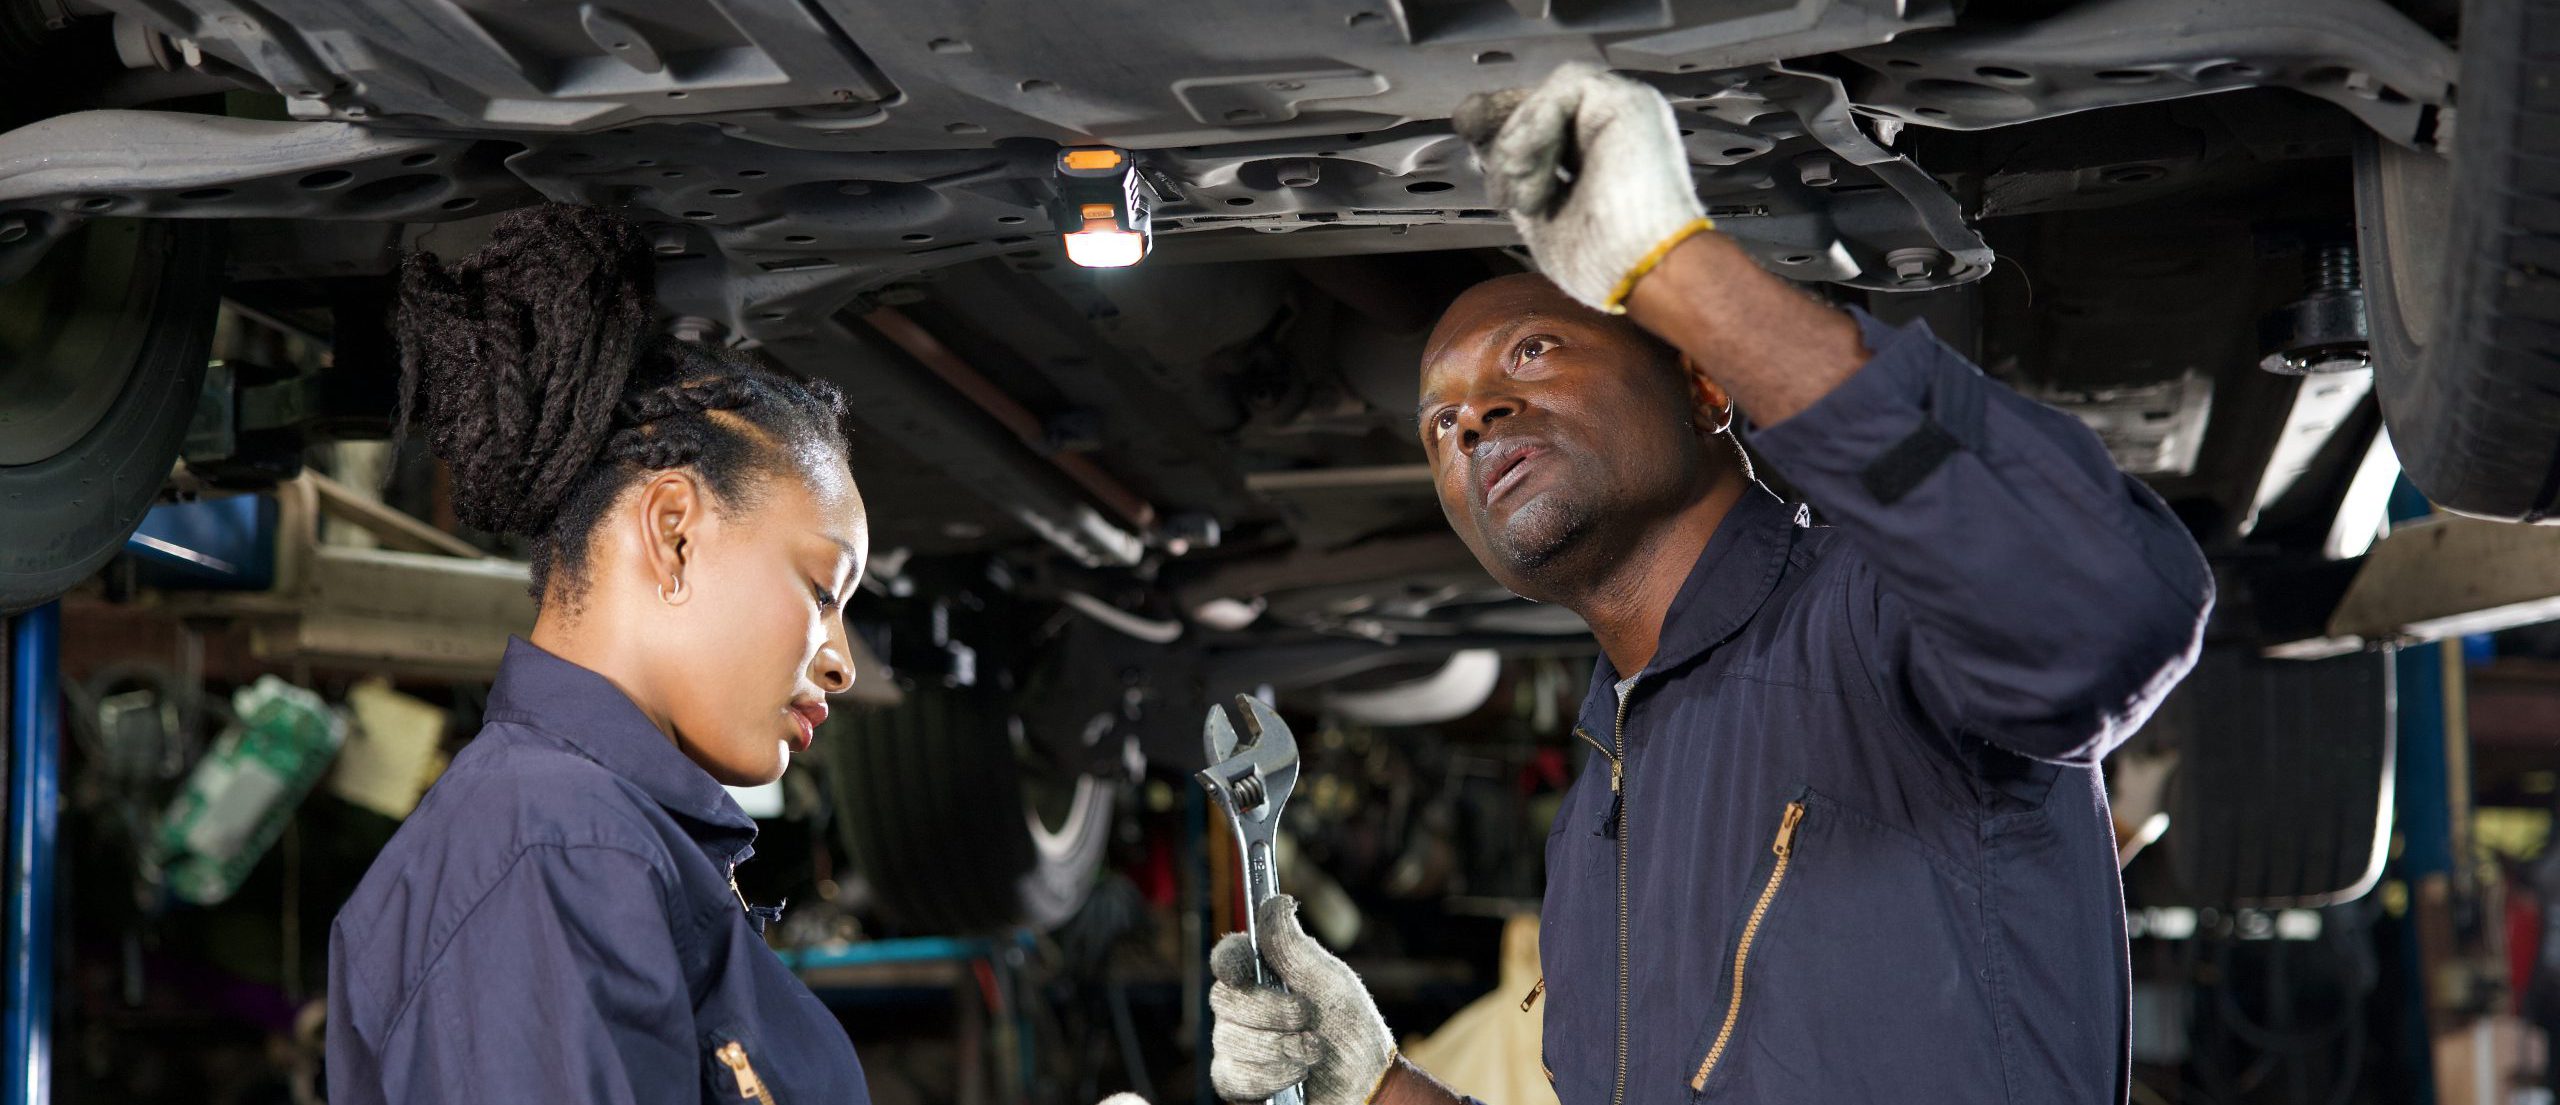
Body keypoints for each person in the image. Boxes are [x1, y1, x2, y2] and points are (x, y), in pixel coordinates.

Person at [1204, 64, 2213, 1105]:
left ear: (1699, 383)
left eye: (1532, 352)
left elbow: (2103, 603)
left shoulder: (1878, 621)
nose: (1470, 416)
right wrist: (1375, 1087)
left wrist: (1675, 269)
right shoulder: (1595, 812)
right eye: (1437, 422)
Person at [325, 203, 874, 1104]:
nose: (841, 661)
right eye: (824, 590)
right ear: (674, 533)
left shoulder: (585, 836)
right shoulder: (557, 843)